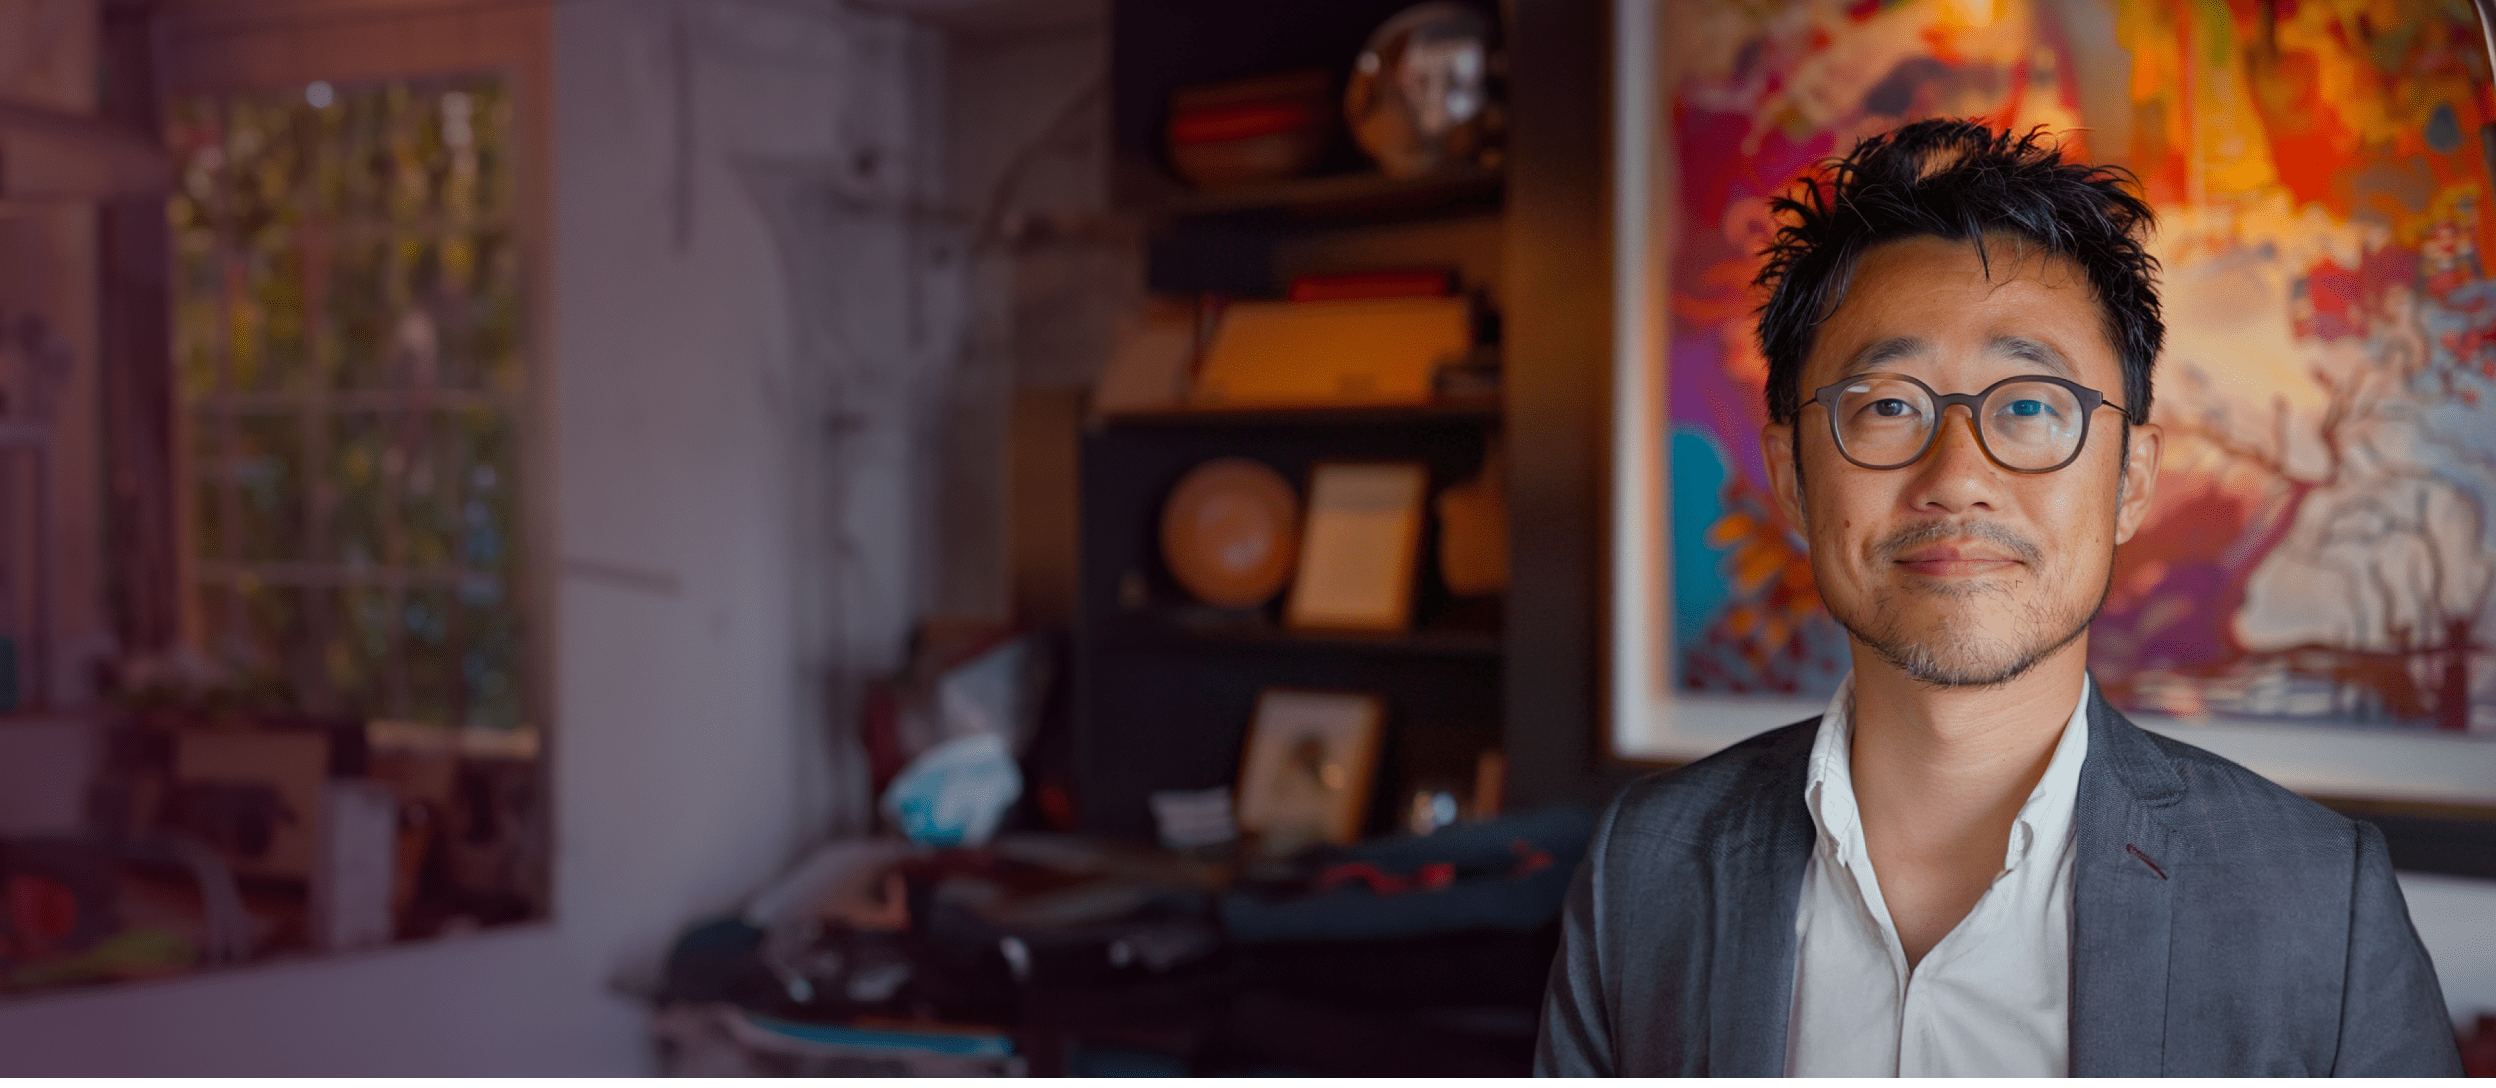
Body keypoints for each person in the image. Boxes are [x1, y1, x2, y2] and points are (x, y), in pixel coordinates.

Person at [1534, 119, 2464, 1078]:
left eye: (2030, 406)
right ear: (1792, 476)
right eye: (1888, 404)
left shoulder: (2318, 903)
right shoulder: (1642, 869)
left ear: (2131, 480)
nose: (1958, 477)